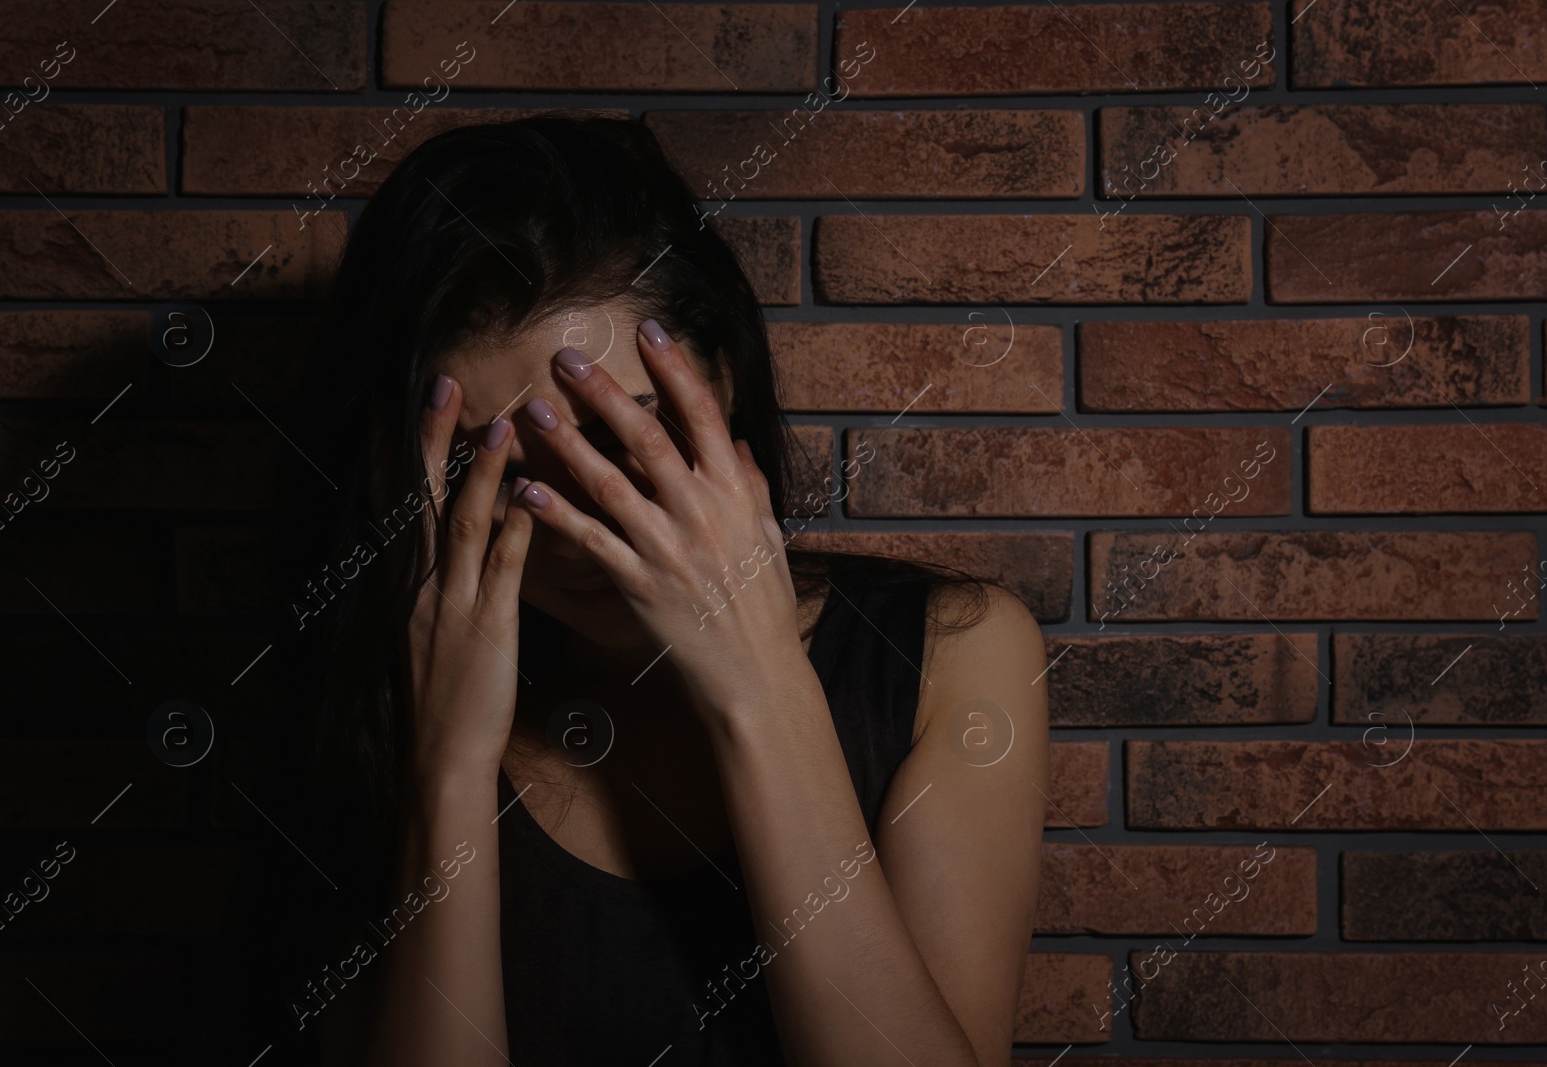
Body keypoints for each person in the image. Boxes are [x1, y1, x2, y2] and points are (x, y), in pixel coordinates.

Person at [252, 112, 1051, 1067]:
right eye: (508, 474)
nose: (583, 519)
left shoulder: (953, 658)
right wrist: (450, 774)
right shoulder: (375, 691)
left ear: (723, 381)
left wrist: (758, 684)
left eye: (624, 436)